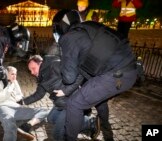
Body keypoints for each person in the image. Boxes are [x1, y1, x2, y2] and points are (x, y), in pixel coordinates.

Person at [52, 9, 138, 141]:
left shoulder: (69, 37)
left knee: (75, 104)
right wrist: (65, 91)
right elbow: (83, 71)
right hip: (127, 74)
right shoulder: (89, 27)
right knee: (99, 98)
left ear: (60, 27)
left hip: (115, 76)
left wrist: (63, 62)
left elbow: (69, 77)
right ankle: (108, 133)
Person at [17, 55, 100, 141]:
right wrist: (22, 102)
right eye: (30, 70)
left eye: (33, 68)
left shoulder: (54, 65)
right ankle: (89, 123)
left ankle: (83, 123)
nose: (32, 72)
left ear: (40, 63)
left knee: (57, 135)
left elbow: (79, 73)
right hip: (61, 103)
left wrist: (65, 91)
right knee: (50, 118)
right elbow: (38, 95)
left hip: (72, 102)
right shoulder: (42, 77)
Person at [0, 66, 49, 141]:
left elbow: (19, 95)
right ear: (6, 74)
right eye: (12, 74)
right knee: (9, 126)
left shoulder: (14, 82)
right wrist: (9, 88)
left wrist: (19, 100)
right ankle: (14, 126)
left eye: (16, 74)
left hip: (16, 107)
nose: (14, 76)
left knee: (44, 111)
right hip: (3, 107)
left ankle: (27, 125)